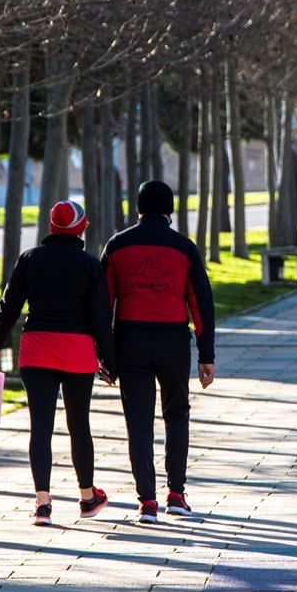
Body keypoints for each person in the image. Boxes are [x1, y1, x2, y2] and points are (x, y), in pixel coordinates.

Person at [0, 200, 116, 526]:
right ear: (81, 228)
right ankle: (87, 498)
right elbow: (101, 319)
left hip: (36, 348)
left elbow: (8, 309)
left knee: (40, 426)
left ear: (52, 227)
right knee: (78, 425)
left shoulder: (30, 259)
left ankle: (43, 504)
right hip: (76, 350)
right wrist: (110, 362)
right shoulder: (89, 265)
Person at [101, 180, 216, 524]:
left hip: (130, 340)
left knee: (138, 422)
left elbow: (103, 305)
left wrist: (105, 356)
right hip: (173, 343)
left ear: (138, 208)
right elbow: (201, 303)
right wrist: (206, 354)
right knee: (177, 415)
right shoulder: (184, 247)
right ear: (170, 210)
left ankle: (146, 502)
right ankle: (176, 494)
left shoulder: (117, 245)